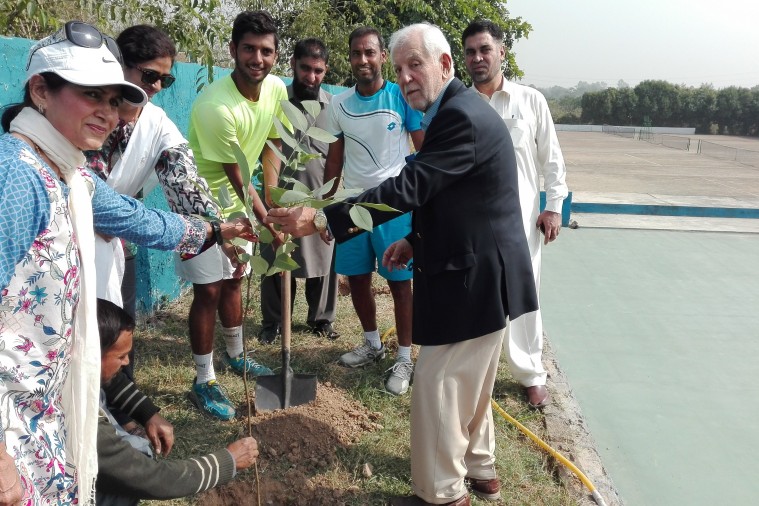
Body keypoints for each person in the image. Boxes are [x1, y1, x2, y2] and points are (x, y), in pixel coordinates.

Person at [266, 23, 538, 506]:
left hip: (472, 277)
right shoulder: (454, 110)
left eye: (416, 64)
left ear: (445, 64)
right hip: (481, 269)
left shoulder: (458, 116)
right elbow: (452, 193)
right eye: (400, 69)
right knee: (470, 382)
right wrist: (414, 239)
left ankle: (442, 494)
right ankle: (481, 470)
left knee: (438, 383)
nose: (406, 77)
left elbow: (411, 187)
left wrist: (323, 218)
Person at [0, 21, 253, 505]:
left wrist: (217, 231)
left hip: (44, 408)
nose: (108, 112)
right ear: (41, 91)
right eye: (91, 94)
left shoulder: (69, 173)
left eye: (115, 100)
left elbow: (140, 220)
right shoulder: (17, 175)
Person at [85, 25, 245, 429]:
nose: (156, 86)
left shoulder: (156, 124)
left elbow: (185, 183)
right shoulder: (88, 113)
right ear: (120, 66)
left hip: (117, 244)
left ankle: (123, 418)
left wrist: (220, 234)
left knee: (117, 337)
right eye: (149, 75)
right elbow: (90, 195)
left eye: (165, 79)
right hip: (69, 243)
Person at [182, 9, 291, 420]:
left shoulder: (276, 90)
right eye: (249, 49)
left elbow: (271, 148)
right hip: (201, 204)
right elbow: (237, 178)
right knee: (208, 290)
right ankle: (203, 380)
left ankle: (236, 354)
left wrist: (273, 204)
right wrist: (268, 222)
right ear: (233, 49)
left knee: (234, 281)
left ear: (275, 55)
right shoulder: (216, 106)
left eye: (266, 51)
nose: (257, 59)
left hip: (242, 201)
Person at [462, 20, 568, 409]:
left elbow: (552, 159)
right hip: (473, 224)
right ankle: (476, 373)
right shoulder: (460, 106)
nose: (477, 58)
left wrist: (553, 208)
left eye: (484, 49)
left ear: (502, 52)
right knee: (476, 294)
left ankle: (530, 373)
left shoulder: (530, 101)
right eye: (470, 52)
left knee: (524, 296)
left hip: (521, 222)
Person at [323, 26, 424, 396]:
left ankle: (404, 357)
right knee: (357, 279)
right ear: (349, 58)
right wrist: (327, 210)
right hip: (351, 207)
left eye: (369, 52)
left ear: (383, 57)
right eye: (356, 53)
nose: (362, 60)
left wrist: (421, 204)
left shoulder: (401, 95)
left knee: (399, 283)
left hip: (392, 206)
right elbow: (333, 162)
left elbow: (424, 154)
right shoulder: (339, 104)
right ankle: (372, 344)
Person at [95, 298, 259, 505]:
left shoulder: (67, 363)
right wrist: (228, 461)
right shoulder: (85, 424)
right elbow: (152, 479)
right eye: (121, 357)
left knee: (137, 448)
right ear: (92, 354)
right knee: (123, 485)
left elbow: (110, 380)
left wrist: (147, 413)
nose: (126, 362)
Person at [259, 38, 339, 343]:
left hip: (318, 198)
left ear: (326, 70)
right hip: (280, 197)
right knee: (276, 259)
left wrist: (330, 201)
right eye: (305, 68)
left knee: (324, 260)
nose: (311, 77)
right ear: (293, 64)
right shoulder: (276, 101)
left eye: (318, 71)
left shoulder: (334, 108)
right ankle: (274, 322)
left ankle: (321, 319)